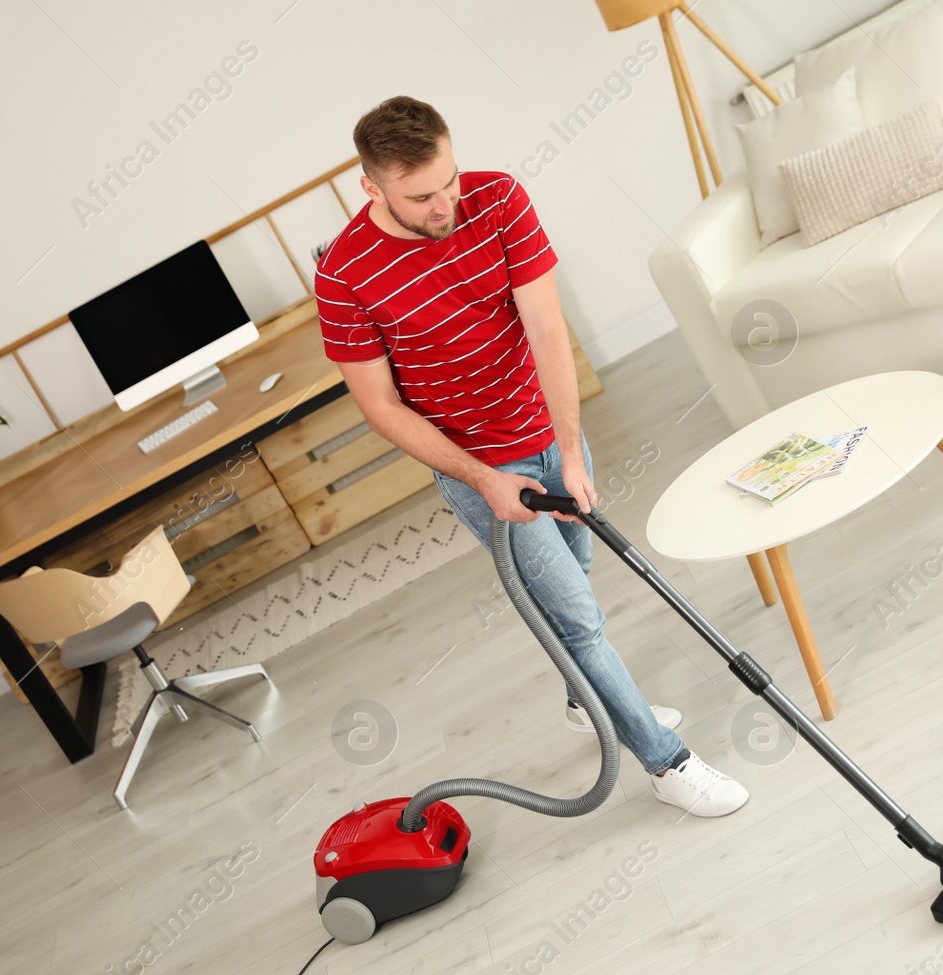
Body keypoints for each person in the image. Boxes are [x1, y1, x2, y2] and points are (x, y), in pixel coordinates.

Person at [314, 96, 748, 817]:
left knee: (576, 577)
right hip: (480, 468)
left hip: (548, 434)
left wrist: (570, 453)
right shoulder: (345, 278)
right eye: (421, 196)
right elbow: (382, 408)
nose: (444, 203)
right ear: (372, 188)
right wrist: (485, 479)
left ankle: (586, 700)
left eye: (448, 180)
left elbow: (546, 327)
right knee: (577, 620)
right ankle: (668, 766)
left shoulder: (499, 198)